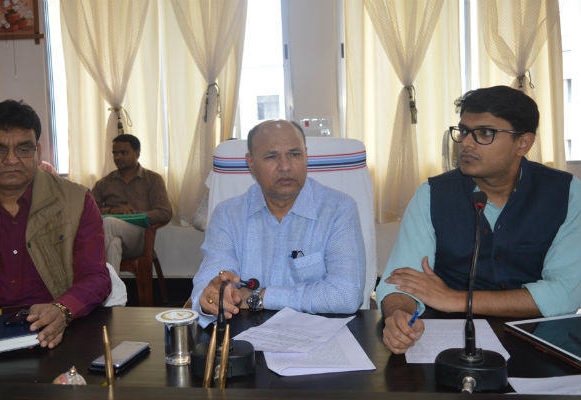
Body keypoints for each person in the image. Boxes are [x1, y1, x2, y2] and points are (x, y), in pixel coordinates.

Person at [376, 85, 581, 354]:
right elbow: (403, 281)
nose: (466, 143)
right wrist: (398, 316)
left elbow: (564, 294)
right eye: (463, 131)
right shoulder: (432, 194)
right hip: (448, 341)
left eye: (484, 133)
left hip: (537, 341)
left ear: (523, 143)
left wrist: (457, 299)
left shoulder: (566, 193)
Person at [0, 100, 111, 349]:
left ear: (38, 151)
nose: (12, 160)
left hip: (55, 327)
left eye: (24, 149)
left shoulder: (77, 200)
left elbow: (96, 277)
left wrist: (63, 309)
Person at [191, 120, 366, 328]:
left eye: (295, 154)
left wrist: (260, 297)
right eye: (271, 156)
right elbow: (210, 281)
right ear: (250, 163)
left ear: (306, 156)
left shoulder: (339, 210)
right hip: (246, 337)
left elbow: (346, 295)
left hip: (320, 337)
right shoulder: (228, 215)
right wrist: (212, 297)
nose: (285, 166)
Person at [91, 134, 172, 274]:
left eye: (123, 153)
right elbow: (89, 211)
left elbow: (165, 212)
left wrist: (136, 215)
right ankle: (112, 288)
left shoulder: (153, 179)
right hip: (112, 236)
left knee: (109, 223)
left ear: (137, 153)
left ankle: (92, 276)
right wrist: (112, 211)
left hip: (140, 238)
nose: (118, 157)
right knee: (114, 244)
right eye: (115, 153)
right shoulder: (104, 183)